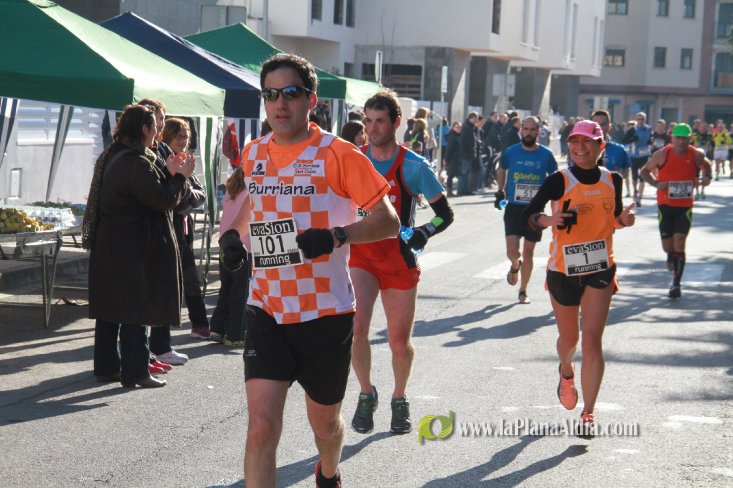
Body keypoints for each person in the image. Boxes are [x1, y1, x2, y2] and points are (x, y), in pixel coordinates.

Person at [240, 53, 400, 488]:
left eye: (291, 93)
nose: (280, 103)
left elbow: (388, 222)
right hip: (267, 308)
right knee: (261, 429)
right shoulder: (253, 153)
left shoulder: (338, 154)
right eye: (271, 94)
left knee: (325, 426)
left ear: (311, 100)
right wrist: (234, 239)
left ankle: (328, 470)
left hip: (325, 313)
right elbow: (255, 209)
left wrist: (335, 236)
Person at [349, 89, 454, 436]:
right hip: (361, 257)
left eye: (380, 121)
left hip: (398, 260)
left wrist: (425, 231)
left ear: (396, 123)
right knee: (356, 330)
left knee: (398, 341)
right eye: (367, 121)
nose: (372, 128)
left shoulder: (413, 165)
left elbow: (444, 214)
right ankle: (366, 393)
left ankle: (399, 396)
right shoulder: (354, 159)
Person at [522, 120, 636, 438]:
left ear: (601, 146)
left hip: (600, 268)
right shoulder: (559, 180)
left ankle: (588, 413)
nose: (580, 147)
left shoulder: (613, 179)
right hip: (563, 271)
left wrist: (623, 220)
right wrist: (549, 219)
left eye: (587, 141)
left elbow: (613, 219)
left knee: (593, 339)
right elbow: (528, 215)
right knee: (570, 340)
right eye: (574, 142)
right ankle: (566, 370)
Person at [84, 104, 195, 388]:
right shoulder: (135, 163)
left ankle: (108, 367)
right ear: (143, 129)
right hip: (131, 249)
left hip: (114, 246)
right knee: (135, 310)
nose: (158, 131)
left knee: (110, 310)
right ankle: (136, 372)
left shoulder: (116, 154)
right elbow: (162, 200)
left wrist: (171, 173)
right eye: (155, 126)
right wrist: (179, 176)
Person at [138, 98, 190, 366]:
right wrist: (178, 179)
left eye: (161, 118)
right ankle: (150, 351)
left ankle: (156, 348)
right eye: (157, 119)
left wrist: (183, 189)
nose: (160, 124)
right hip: (151, 232)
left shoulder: (159, 150)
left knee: (166, 288)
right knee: (151, 292)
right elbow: (163, 195)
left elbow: (191, 190)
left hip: (170, 226)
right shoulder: (140, 156)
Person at [640, 123, 712, 299]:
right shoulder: (662, 154)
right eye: (678, 138)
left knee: (680, 241)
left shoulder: (695, 154)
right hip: (665, 205)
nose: (681, 142)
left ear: (690, 139)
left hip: (685, 206)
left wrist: (707, 177)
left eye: (685, 138)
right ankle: (670, 255)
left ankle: (676, 284)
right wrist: (656, 183)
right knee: (667, 246)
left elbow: (707, 164)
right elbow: (644, 171)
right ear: (672, 138)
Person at [495, 116, 557, 304]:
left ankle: (523, 291)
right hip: (514, 208)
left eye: (532, 130)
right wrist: (499, 191)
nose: (529, 133)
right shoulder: (511, 152)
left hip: (535, 210)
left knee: (529, 252)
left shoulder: (546, 154)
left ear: (538, 131)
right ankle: (515, 265)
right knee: (512, 251)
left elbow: (555, 177)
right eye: (526, 129)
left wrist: (554, 197)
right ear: (521, 130)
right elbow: (502, 169)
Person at [160, 118, 210, 340]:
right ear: (168, 136)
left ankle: (200, 325)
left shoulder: (186, 160)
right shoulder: (163, 161)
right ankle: (162, 338)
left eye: (186, 137)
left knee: (191, 279)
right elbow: (175, 202)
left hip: (184, 231)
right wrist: (186, 196)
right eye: (179, 136)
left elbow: (200, 195)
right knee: (169, 283)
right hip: (167, 231)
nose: (183, 141)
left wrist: (187, 193)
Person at [209, 166, 250, 347]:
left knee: (226, 289)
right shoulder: (251, 192)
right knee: (241, 293)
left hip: (225, 244)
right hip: (244, 247)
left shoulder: (230, 191)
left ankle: (217, 329)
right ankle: (235, 335)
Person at [591, 110, 631, 195]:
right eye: (595, 124)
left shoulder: (619, 149)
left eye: (603, 124)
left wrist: (617, 174)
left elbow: (626, 172)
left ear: (609, 127)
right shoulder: (581, 148)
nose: (599, 128)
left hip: (610, 197)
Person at [626, 112, 652, 207]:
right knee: (634, 176)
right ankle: (635, 191)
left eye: (642, 119)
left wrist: (650, 142)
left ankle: (640, 197)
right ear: (636, 120)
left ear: (645, 120)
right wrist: (633, 139)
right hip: (634, 155)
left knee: (643, 176)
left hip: (644, 155)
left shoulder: (649, 129)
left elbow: (651, 139)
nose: (640, 121)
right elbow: (625, 140)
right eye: (639, 119)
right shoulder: (633, 129)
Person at [457, 112, 479, 195]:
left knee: (466, 172)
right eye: (475, 118)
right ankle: (462, 190)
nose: (476, 120)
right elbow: (465, 142)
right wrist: (470, 150)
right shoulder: (467, 127)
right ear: (472, 118)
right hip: (465, 154)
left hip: (468, 154)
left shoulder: (470, 127)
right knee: (464, 172)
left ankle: (465, 189)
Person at [444, 121, 462, 197]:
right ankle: (449, 192)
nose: (459, 129)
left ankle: (452, 191)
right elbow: (449, 149)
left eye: (460, 127)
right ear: (453, 128)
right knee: (450, 175)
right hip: (452, 159)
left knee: (453, 175)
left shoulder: (459, 135)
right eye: (457, 127)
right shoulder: (452, 136)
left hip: (457, 158)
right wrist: (446, 159)